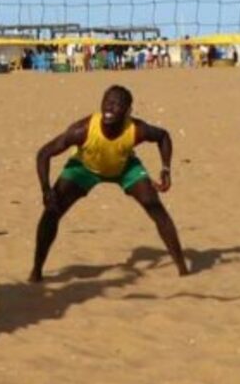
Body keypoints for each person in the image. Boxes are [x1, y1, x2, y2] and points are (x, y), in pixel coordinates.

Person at [30, 85, 188, 282]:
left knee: (154, 206)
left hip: (123, 167)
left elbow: (163, 136)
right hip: (85, 167)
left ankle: (182, 268)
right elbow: (44, 154)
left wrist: (165, 169)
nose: (110, 108)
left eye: (118, 104)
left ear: (128, 111)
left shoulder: (136, 129)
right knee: (52, 211)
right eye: (107, 102)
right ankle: (36, 270)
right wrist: (45, 189)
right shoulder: (82, 130)